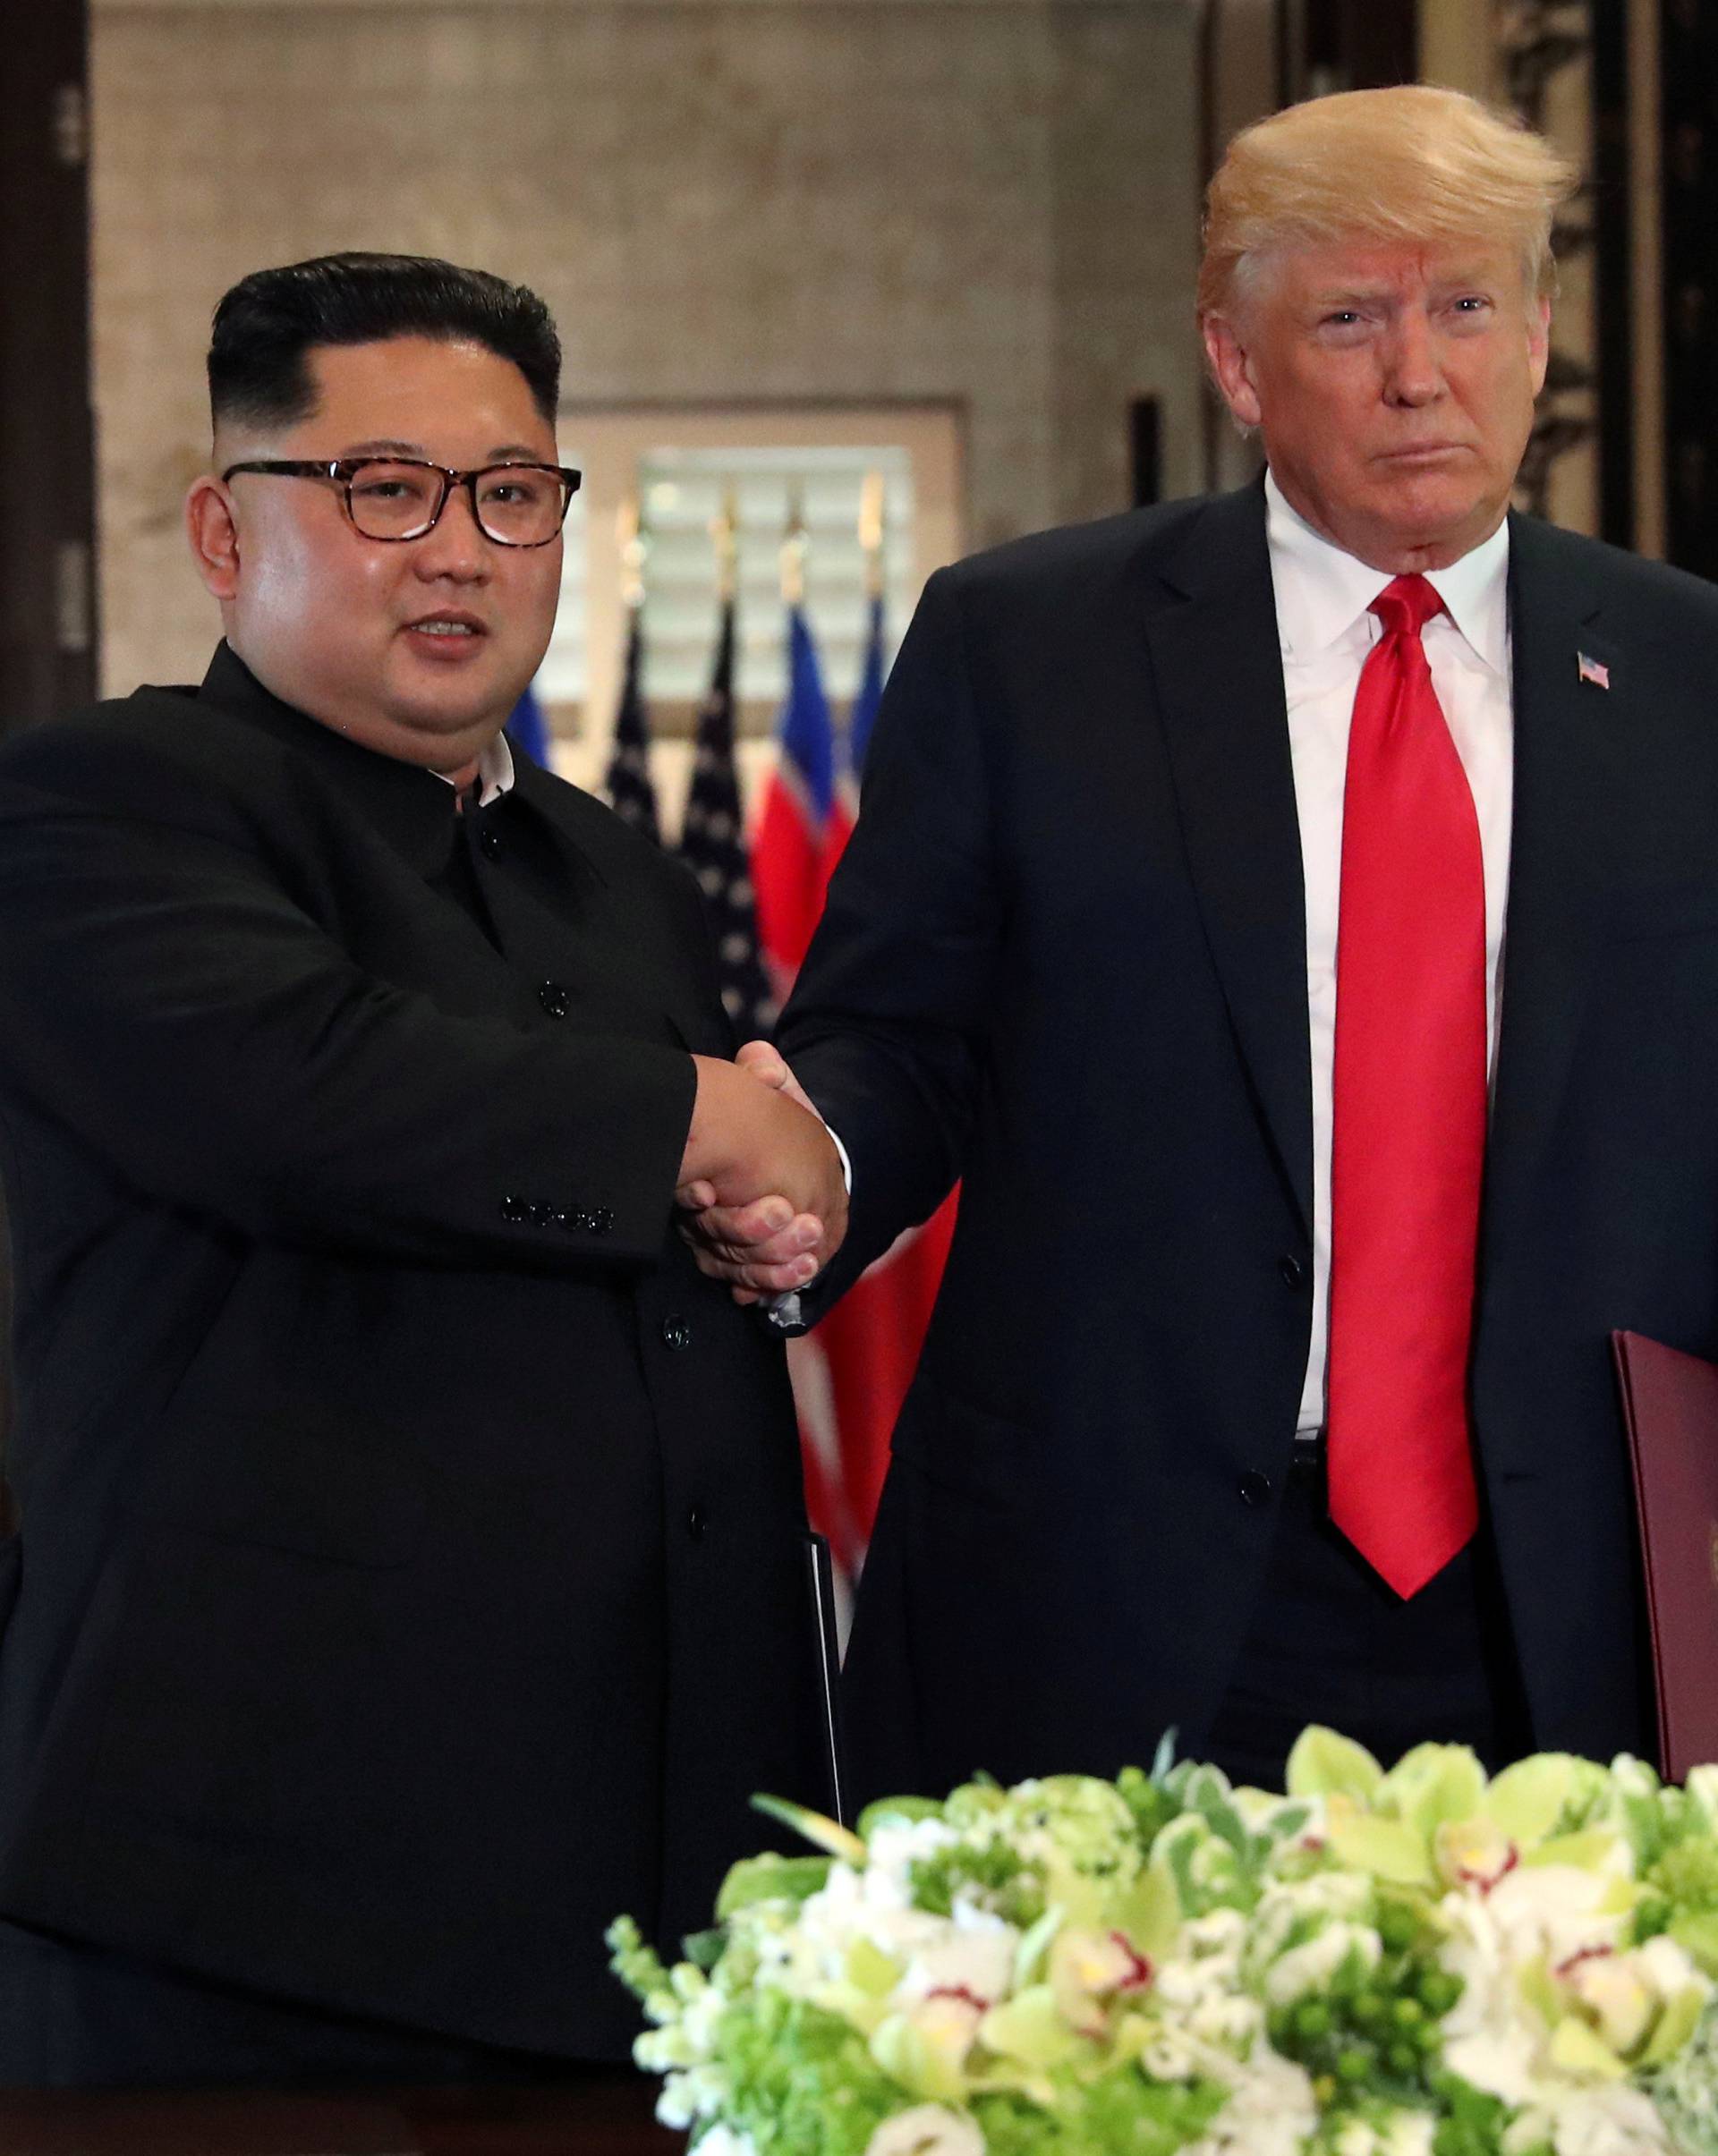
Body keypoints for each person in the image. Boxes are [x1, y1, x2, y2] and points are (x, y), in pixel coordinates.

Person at [682, 86, 1718, 1803]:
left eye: (1466, 305)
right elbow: (900, 1038)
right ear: (1238, 365)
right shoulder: (1031, 646)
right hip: (1120, 1578)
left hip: (1575, 1605)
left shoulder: (1691, 679)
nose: (1419, 371)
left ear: (1538, 336)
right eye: (1349, 317)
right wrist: (820, 1169)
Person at [0, 251, 846, 2084]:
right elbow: (313, 1098)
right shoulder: (104, 800)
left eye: (513, 494)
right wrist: (701, 1119)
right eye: (384, 488)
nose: (458, 547)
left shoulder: (612, 871)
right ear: (226, 535)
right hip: (264, 1908)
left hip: (656, 1895)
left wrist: (784, 1210)